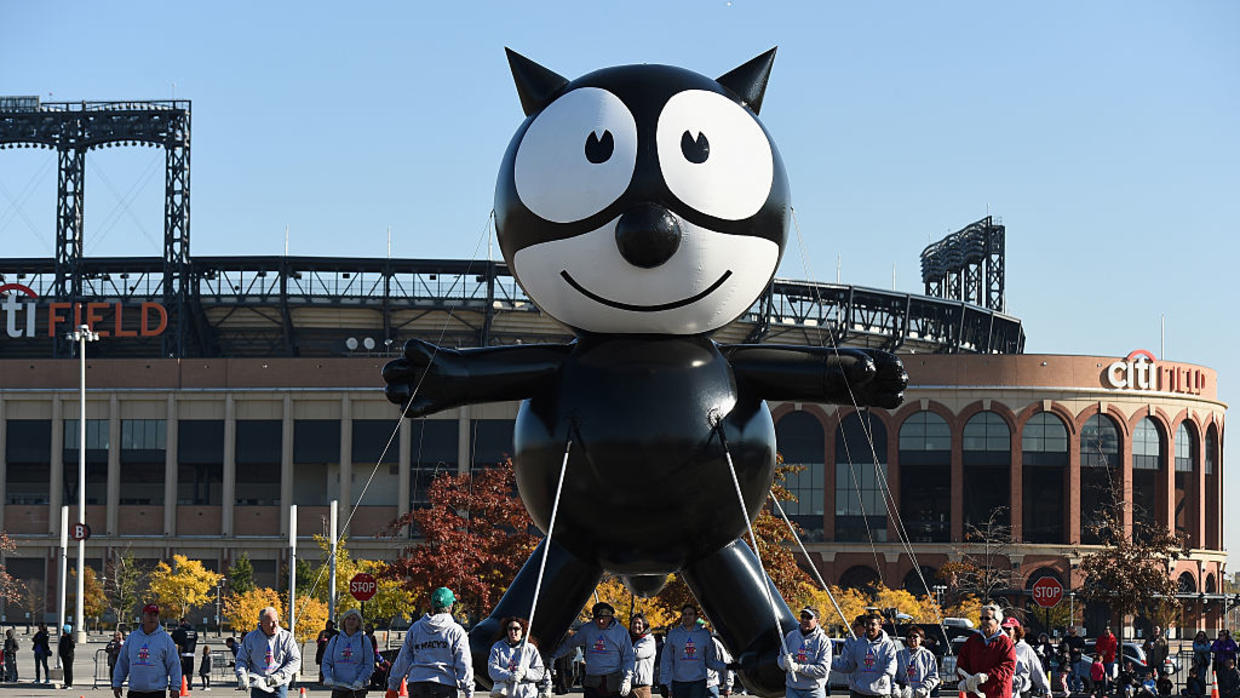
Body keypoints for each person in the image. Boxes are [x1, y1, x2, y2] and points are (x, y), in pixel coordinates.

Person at [387, 586, 473, 698]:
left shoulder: (416, 628)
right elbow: (463, 662)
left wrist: (392, 686)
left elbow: (403, 658)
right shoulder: (455, 630)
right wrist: (468, 690)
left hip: (417, 684)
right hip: (444, 684)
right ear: (451, 606)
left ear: (432, 605)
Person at [553, 602, 634, 698]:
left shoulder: (621, 631)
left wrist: (627, 679)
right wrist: (554, 656)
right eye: (597, 618)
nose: (600, 621)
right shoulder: (587, 629)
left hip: (613, 681)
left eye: (603, 618)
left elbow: (628, 656)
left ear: (610, 617)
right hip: (592, 681)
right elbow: (570, 644)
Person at [112, 603, 182, 698]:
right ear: (143, 617)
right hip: (135, 691)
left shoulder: (165, 639)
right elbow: (122, 662)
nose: (152, 618)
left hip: (157, 691)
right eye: (149, 615)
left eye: (155, 615)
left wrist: (175, 687)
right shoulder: (132, 638)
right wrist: (117, 683)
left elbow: (174, 664)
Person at [660, 605, 728, 698]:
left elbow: (710, 661)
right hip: (679, 682)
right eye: (684, 614)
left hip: (698, 681)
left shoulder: (704, 634)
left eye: (690, 614)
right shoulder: (673, 634)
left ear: (696, 617)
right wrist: (664, 683)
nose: (687, 617)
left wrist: (727, 666)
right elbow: (666, 660)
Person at [235, 606, 301, 698]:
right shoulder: (250, 638)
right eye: (271, 622)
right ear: (262, 623)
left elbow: (295, 660)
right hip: (258, 686)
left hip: (279, 686)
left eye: (276, 621)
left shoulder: (286, 637)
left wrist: (281, 675)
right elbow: (241, 660)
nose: (275, 625)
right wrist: (241, 674)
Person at [956, 604, 1015, 698]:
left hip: (997, 694)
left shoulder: (1005, 642)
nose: (983, 621)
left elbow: (1008, 667)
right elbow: (961, 663)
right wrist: (964, 680)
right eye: (981, 618)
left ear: (997, 621)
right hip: (975, 694)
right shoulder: (973, 640)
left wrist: (987, 676)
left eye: (987, 618)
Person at [832, 612, 896, 698]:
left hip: (880, 692)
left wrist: (886, 675)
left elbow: (892, 664)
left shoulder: (888, 644)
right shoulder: (857, 644)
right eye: (868, 624)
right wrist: (830, 663)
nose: (870, 627)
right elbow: (849, 666)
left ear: (880, 626)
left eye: (873, 624)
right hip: (859, 692)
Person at [778, 607, 832, 698]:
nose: (804, 620)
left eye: (809, 617)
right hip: (792, 689)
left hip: (814, 691)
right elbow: (779, 658)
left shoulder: (823, 641)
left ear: (817, 620)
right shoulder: (791, 636)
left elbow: (823, 670)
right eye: (803, 616)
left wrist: (798, 668)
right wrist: (784, 662)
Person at [488, 616, 547, 698]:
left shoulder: (530, 648)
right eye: (510, 628)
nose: (513, 631)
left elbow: (539, 672)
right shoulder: (498, 647)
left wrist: (525, 672)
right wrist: (509, 675)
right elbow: (492, 670)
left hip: (527, 695)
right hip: (506, 694)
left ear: (522, 630)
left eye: (516, 629)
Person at [322, 608, 374, 698]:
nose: (351, 621)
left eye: (354, 619)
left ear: (358, 622)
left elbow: (369, 664)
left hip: (357, 690)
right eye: (348, 618)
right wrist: (327, 676)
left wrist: (360, 680)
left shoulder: (364, 640)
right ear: (344, 621)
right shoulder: (335, 639)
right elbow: (326, 661)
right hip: (338, 689)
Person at [1002, 617, 1048, 698]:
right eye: (1003, 628)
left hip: (1021, 692)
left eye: (1008, 629)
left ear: (1016, 631)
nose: (1005, 631)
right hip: (1002, 691)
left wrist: (1046, 689)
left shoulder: (1025, 648)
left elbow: (1036, 670)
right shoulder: (997, 647)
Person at [895, 626, 939, 698]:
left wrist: (923, 689)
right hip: (903, 694)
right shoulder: (899, 655)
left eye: (915, 636)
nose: (912, 638)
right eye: (909, 636)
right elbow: (893, 675)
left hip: (921, 695)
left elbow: (934, 676)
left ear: (921, 638)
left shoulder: (928, 655)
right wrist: (898, 689)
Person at [631, 614, 656, 698]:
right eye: (634, 623)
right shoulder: (628, 639)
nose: (636, 625)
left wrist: (621, 649)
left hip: (642, 687)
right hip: (627, 686)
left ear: (644, 625)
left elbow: (637, 653)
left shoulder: (649, 640)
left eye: (639, 623)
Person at [171, 618, 200, 687]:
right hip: (191, 654)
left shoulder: (180, 631)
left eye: (179, 622)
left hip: (182, 654)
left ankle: (180, 685)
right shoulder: (194, 631)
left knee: (181, 670)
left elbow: (173, 639)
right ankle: (189, 684)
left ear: (182, 622)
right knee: (190, 671)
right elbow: (196, 638)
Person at [1095, 625, 1119, 690]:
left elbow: (1114, 648)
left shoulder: (1113, 639)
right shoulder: (1100, 638)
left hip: (1110, 659)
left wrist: (1107, 652)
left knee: (1109, 674)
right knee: (1101, 675)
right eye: (1105, 630)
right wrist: (1101, 651)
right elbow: (1097, 646)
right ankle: (1102, 688)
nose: (1107, 631)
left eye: (1108, 630)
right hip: (1101, 660)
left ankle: (1110, 688)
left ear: (1110, 631)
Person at [318, 620, 340, 685]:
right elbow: (319, 641)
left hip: (335, 652)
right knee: (323, 667)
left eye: (331, 624)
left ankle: (335, 679)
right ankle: (322, 680)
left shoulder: (336, 633)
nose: (329, 626)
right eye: (328, 624)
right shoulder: (323, 632)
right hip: (323, 652)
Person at [58, 624, 76, 689]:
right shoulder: (63, 637)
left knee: (69, 670)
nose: (63, 631)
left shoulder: (70, 637)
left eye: (64, 630)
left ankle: (69, 684)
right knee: (65, 670)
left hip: (69, 656)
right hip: (64, 656)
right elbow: (61, 646)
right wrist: (61, 653)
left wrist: (67, 653)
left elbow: (72, 646)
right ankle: (66, 683)